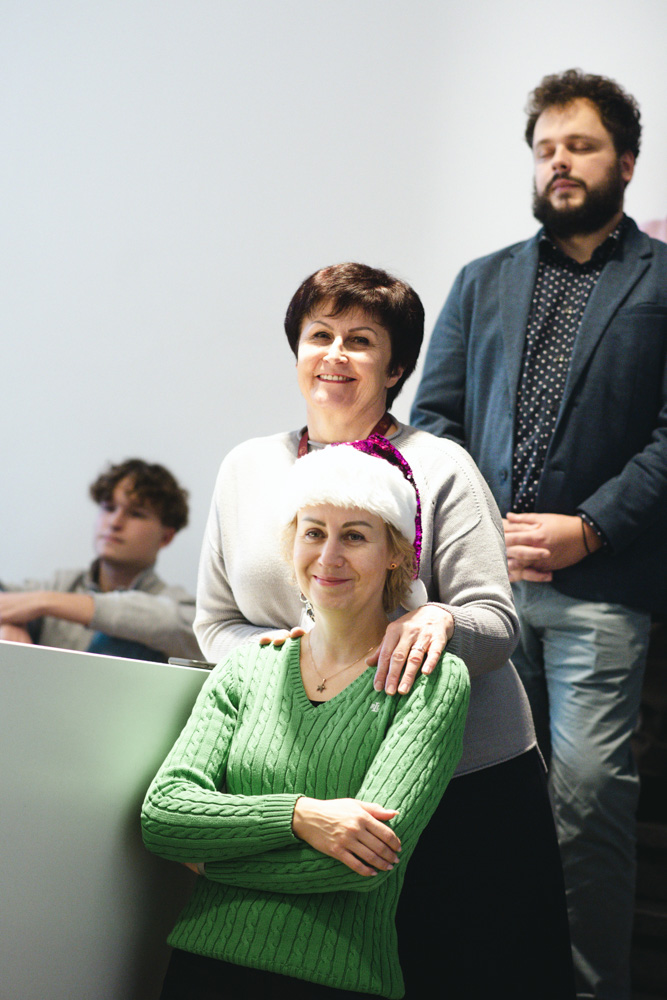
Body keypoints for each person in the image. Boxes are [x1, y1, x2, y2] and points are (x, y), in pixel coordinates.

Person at [195, 262, 575, 998]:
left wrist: (438, 617)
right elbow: (216, 622)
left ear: (396, 367)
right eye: (319, 335)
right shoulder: (248, 468)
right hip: (312, 778)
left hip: (464, 781)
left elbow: (495, 622)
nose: (334, 355)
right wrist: (293, 661)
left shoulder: (440, 464)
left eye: (361, 340)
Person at [410, 69, 667, 1000]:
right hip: (480, 593)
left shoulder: (661, 279)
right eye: (546, 148)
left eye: (580, 146)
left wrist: (589, 528)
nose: (559, 163)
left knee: (587, 799)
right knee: (471, 797)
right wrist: (476, 530)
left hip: (602, 587)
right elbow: (431, 422)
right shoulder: (481, 281)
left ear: (624, 162)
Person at [142, 442, 470, 999]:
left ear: (395, 553)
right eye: (314, 532)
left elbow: (361, 865)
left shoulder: (432, 681)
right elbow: (164, 816)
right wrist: (299, 816)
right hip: (200, 968)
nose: (329, 556)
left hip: (336, 980)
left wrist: (210, 862)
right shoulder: (249, 665)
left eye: (355, 536)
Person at [0, 458, 201, 663]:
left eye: (136, 514)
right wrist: (9, 625)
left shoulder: (179, 606)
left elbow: (172, 625)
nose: (115, 522)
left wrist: (44, 602)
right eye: (109, 508)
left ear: (166, 537)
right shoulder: (61, 584)